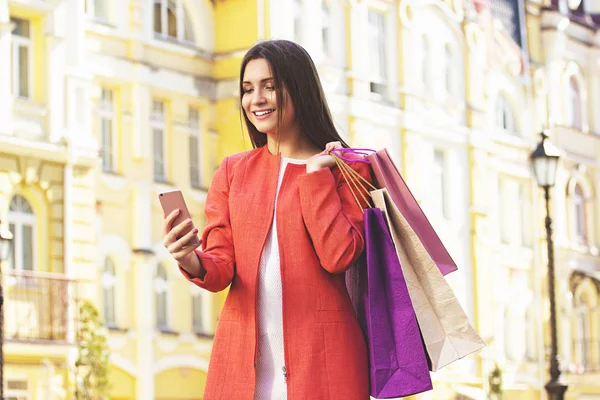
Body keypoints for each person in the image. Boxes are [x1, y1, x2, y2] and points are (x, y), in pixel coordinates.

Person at [162, 39, 371, 400]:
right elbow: (221, 268)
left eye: (270, 86)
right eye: (247, 89)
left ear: (300, 88)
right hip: (242, 367)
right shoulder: (232, 171)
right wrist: (189, 257)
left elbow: (338, 255)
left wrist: (316, 175)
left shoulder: (348, 169)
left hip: (325, 366)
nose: (255, 99)